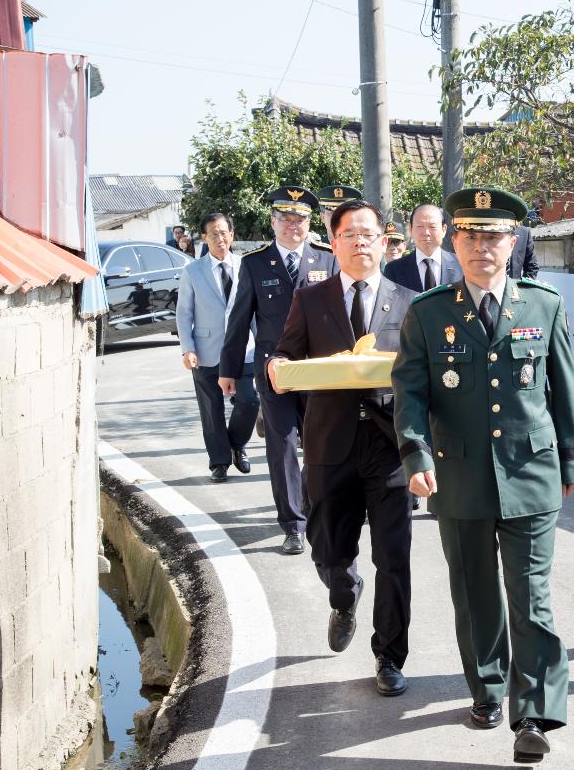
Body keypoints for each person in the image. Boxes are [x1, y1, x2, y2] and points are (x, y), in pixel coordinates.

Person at [392, 186, 574, 764]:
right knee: (475, 593)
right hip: (459, 475)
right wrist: (416, 456)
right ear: (454, 241)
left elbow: (563, 387)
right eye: (471, 236)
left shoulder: (543, 305)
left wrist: (573, 459)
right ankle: (488, 688)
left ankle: (535, 716)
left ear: (514, 242)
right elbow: (411, 393)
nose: (483, 248)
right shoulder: (428, 313)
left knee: (532, 596)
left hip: (531, 471)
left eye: (495, 236)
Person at [267, 199, 415, 697]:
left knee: (394, 555)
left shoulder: (410, 302)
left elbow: (422, 376)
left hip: (389, 445)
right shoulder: (312, 299)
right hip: (329, 441)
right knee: (328, 544)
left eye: (369, 233)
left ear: (385, 241)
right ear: (333, 244)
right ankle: (344, 593)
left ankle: (390, 656)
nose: (360, 242)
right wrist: (278, 369)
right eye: (349, 234)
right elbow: (287, 352)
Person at [220, 186, 338, 555]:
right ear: (273, 222)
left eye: (300, 219)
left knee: (318, 442)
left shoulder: (327, 260)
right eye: (285, 218)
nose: (293, 225)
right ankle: (292, 525)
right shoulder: (255, 263)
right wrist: (228, 369)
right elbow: (239, 320)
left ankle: (309, 500)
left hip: (317, 369)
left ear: (309, 224)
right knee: (283, 443)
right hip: (275, 370)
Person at [177, 213, 258, 482]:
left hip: (244, 350)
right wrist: (187, 348)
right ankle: (219, 461)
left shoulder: (247, 266)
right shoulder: (192, 271)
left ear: (232, 235)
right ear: (204, 237)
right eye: (213, 233)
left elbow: (257, 312)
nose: (220, 238)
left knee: (249, 401)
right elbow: (184, 313)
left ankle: (237, 444)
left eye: (224, 232)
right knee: (211, 410)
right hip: (205, 351)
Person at [384, 203, 462, 294]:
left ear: (444, 230)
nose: (426, 232)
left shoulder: (461, 264)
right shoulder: (394, 269)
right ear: (410, 229)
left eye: (432, 226)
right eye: (420, 226)